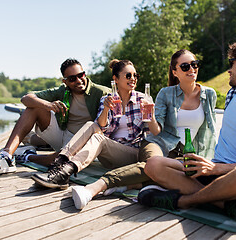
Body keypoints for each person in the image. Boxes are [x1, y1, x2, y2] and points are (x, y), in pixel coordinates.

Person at [138, 35, 236, 229]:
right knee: (153, 164)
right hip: (214, 168)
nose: (229, 69)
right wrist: (210, 166)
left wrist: (216, 169)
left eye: (232, 63)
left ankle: (182, 201)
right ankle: (228, 205)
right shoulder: (233, 94)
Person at [69, 49, 217, 210]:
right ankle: (95, 187)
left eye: (194, 65)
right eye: (185, 66)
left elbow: (210, 131)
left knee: (179, 175)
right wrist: (151, 116)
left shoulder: (209, 95)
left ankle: (130, 185)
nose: (192, 69)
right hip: (159, 143)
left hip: (188, 151)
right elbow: (156, 131)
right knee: (152, 164)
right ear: (175, 72)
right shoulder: (166, 94)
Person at [31, 59, 150, 207]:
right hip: (111, 155)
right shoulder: (107, 99)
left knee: (98, 138)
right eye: (128, 75)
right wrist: (106, 108)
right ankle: (61, 162)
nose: (133, 79)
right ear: (116, 79)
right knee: (91, 125)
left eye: (135, 75)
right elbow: (101, 126)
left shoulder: (144, 100)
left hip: (132, 154)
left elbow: (152, 133)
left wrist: (150, 116)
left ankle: (65, 171)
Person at [0, 58, 110, 175]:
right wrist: (48, 105)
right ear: (65, 81)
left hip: (85, 140)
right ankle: (6, 155)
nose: (79, 80)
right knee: (34, 108)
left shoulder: (101, 92)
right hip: (64, 135)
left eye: (81, 75)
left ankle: (27, 156)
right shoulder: (62, 91)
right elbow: (26, 98)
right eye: (72, 78)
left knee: (60, 160)